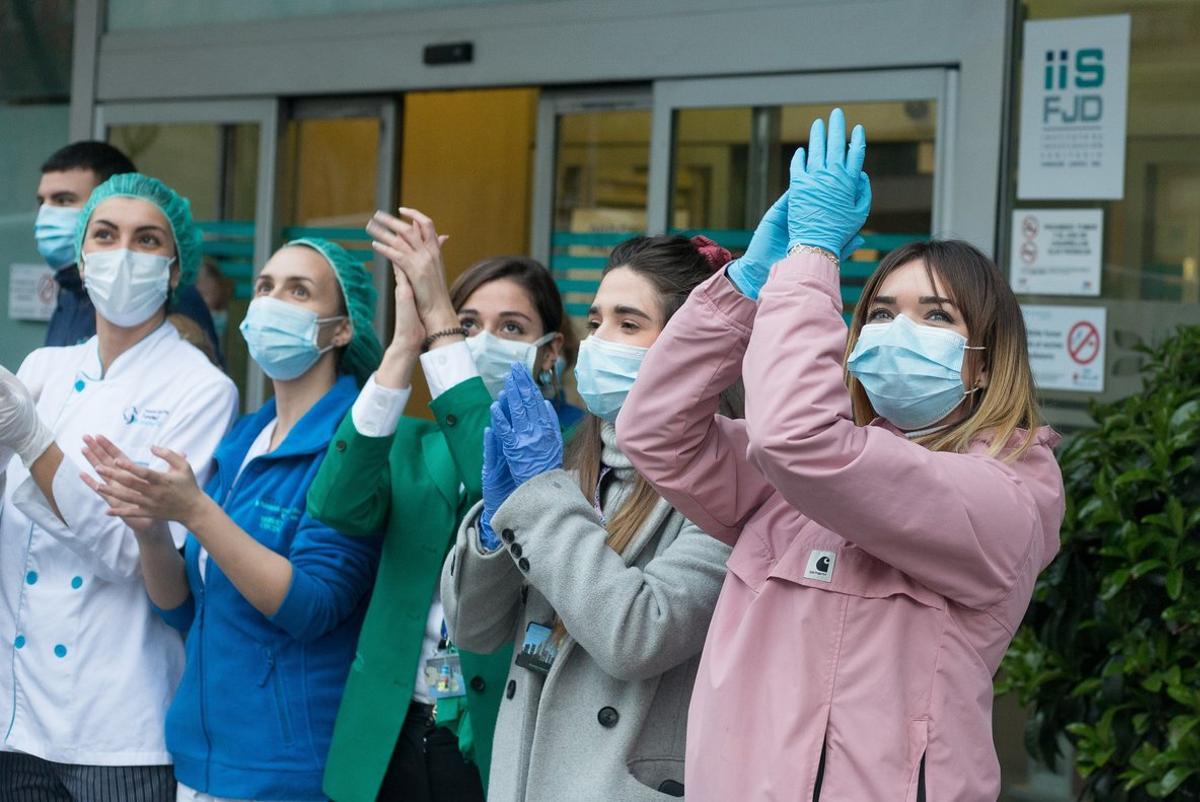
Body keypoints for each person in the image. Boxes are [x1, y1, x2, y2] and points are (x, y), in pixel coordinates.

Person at [617, 110, 1066, 801]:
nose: (899, 330)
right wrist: (746, 285)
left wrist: (813, 260)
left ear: (983, 363)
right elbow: (655, 431)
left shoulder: (1005, 497)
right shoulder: (807, 478)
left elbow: (800, 440)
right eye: (881, 312)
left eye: (937, 316)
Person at [82, 237, 383, 802]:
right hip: (202, 758)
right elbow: (182, 609)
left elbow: (312, 607)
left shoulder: (354, 446)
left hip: (287, 769)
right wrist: (149, 529)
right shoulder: (243, 437)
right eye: (266, 287)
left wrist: (196, 511)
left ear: (342, 329)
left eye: (299, 291)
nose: (272, 302)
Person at [439, 234, 735, 801]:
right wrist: (494, 524)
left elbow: (638, 636)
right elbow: (475, 629)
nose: (599, 342)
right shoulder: (575, 453)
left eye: (629, 324)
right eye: (596, 322)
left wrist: (543, 498)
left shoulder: (728, 484)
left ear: (691, 345)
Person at [306, 208, 578, 802]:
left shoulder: (574, 455)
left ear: (550, 351)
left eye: (510, 327)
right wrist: (406, 345)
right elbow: (333, 504)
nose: (482, 340)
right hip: (392, 729)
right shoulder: (412, 442)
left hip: (496, 737)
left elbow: (498, 483)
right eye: (467, 323)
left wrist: (439, 316)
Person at [0, 173, 239, 801]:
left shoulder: (201, 388)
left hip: (120, 725)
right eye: (105, 235)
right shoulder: (42, 370)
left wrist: (33, 441)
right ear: (83, 257)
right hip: (18, 717)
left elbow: (133, 554)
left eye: (147, 239)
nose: (123, 252)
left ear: (173, 267)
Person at [35, 141, 222, 358]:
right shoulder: (71, 293)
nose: (47, 213)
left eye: (64, 200)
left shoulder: (164, 295)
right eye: (42, 202)